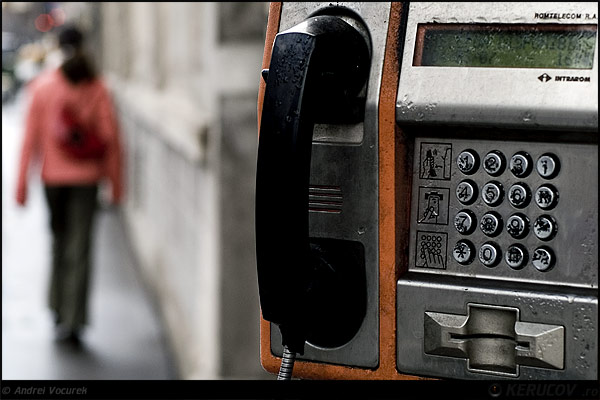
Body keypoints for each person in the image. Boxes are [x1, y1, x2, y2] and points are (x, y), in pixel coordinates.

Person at [15, 25, 123, 345]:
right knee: (81, 247)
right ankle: (74, 319)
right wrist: (116, 184)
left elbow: (29, 139)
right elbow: (111, 139)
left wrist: (20, 184)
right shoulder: (97, 85)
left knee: (58, 242)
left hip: (53, 180)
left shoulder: (43, 86)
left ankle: (56, 308)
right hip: (86, 181)